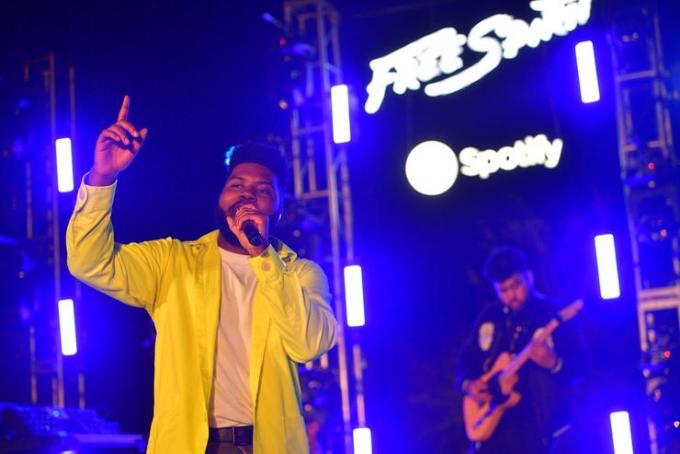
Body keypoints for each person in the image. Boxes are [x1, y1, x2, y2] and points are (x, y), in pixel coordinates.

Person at [66, 96, 338, 454]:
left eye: (262, 190)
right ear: (221, 195)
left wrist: (262, 258)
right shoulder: (173, 262)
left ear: (280, 207)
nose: (247, 196)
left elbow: (309, 345)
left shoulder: (300, 274)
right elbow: (88, 262)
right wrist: (103, 177)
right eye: (237, 185)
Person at [455, 247, 585, 453]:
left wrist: (553, 362)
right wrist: (468, 385)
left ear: (528, 277)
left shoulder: (553, 313)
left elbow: (580, 370)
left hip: (538, 433)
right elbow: (467, 359)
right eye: (502, 290)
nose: (510, 295)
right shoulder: (490, 316)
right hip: (492, 433)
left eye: (515, 286)